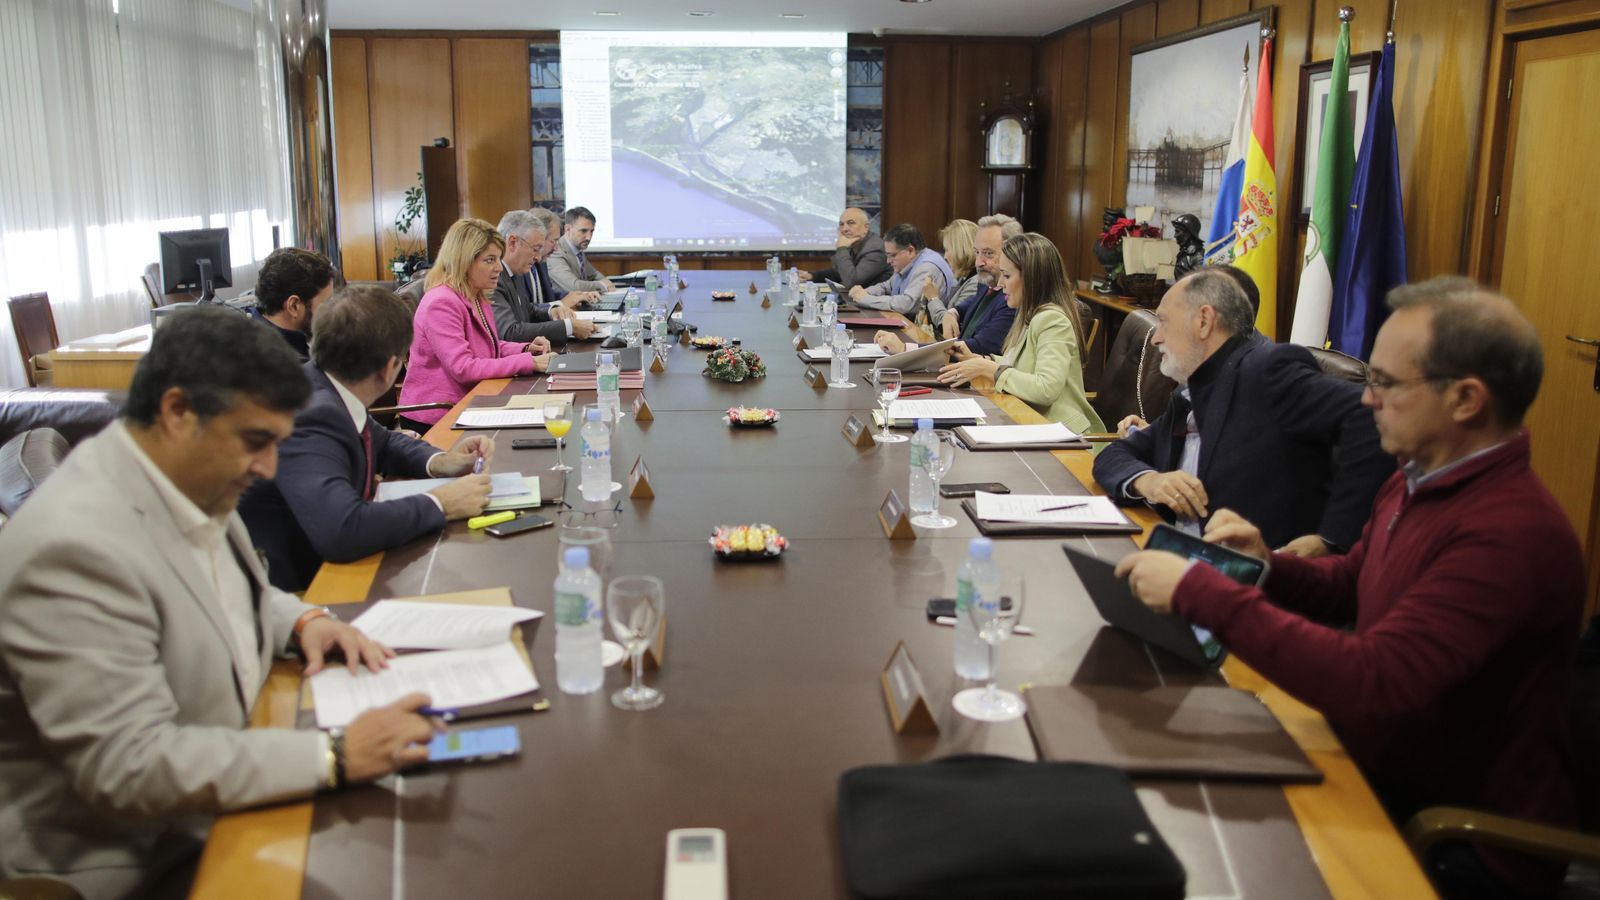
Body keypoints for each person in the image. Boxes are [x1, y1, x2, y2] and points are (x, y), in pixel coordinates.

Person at [1115, 277, 1584, 899]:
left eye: (1385, 383)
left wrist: (1203, 590)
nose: (1367, 400)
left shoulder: (1507, 534)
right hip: (1372, 764)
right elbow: (1353, 581)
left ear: (1465, 399)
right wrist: (1266, 564)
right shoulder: (1419, 479)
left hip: (1452, 840)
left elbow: (1376, 681)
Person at [0, 306, 441, 899]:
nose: (269, 467)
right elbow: (130, 766)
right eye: (256, 442)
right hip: (136, 859)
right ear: (178, 412)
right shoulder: (72, 550)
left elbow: (235, 588)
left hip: (227, 778)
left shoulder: (179, 473)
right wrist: (332, 756)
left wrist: (303, 619)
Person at [1092, 268, 1391, 554]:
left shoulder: (1267, 369)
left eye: (1164, 322)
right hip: (1174, 551)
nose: (1156, 337)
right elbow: (1114, 455)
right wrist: (1149, 481)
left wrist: (1332, 538)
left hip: (1248, 571)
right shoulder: (1192, 387)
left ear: (1204, 321)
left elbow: (1372, 414)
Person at [239, 285, 495, 593]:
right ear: (389, 369)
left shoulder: (322, 383)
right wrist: (441, 503)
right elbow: (342, 529)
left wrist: (441, 461)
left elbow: (382, 441)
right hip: (303, 591)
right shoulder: (312, 414)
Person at [935, 233, 1105, 435]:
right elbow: (1024, 363)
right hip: (1032, 421)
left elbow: (1046, 389)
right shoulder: (1029, 313)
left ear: (1032, 279)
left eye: (1006, 276)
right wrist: (978, 360)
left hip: (1062, 433)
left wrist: (989, 369)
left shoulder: (1053, 320)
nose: (1000, 283)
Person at [398, 218, 555, 432]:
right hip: (437, 416)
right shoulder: (441, 302)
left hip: (470, 402)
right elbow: (463, 367)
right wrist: (529, 362)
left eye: (498, 259)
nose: (499, 267)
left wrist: (526, 348)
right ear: (463, 261)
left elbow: (487, 347)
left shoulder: (476, 295)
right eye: (489, 260)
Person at [874, 214, 1020, 358]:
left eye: (988, 253)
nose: (979, 262)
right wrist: (952, 313)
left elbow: (975, 348)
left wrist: (905, 348)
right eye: (977, 252)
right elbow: (970, 304)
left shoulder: (1013, 298)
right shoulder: (987, 283)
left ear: (1012, 255)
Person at [490, 209, 595, 346]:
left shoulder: (513, 272)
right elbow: (510, 332)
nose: (538, 258)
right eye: (535, 249)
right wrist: (568, 327)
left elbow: (528, 311)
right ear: (512, 243)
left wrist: (552, 311)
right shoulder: (493, 278)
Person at [247, 247, 336, 362]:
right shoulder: (292, 366)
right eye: (326, 303)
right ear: (294, 306)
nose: (331, 311)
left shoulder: (251, 332)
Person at [848, 223, 954, 316]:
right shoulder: (909, 264)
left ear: (910, 251)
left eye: (892, 255)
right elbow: (887, 286)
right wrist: (862, 292)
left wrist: (866, 299)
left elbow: (906, 304)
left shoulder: (927, 268)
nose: (888, 261)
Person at [802, 207, 890, 289]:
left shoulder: (875, 248)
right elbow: (839, 272)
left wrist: (842, 248)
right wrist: (812, 276)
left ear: (866, 227)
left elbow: (852, 282)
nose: (844, 229)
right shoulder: (854, 243)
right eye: (841, 224)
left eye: (851, 223)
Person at [921, 219, 982, 323]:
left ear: (960, 250)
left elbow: (950, 325)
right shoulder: (965, 278)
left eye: (947, 249)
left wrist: (933, 298)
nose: (945, 256)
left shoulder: (976, 283)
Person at [546, 206, 614, 294]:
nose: (589, 237)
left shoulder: (578, 249)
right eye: (583, 231)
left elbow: (594, 274)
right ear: (568, 229)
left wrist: (607, 283)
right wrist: (603, 285)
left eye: (591, 231)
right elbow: (574, 287)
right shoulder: (555, 251)